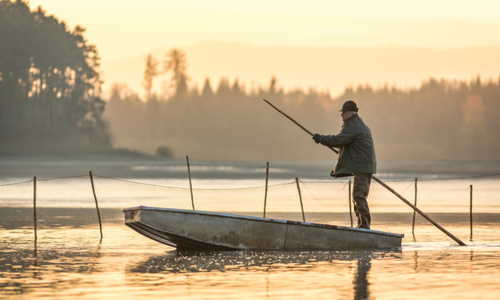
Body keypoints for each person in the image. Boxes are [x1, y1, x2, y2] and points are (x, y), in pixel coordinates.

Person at [312, 100, 376, 229]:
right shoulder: (356, 124)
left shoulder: (354, 126)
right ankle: (362, 225)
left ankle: (364, 226)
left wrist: (321, 139)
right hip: (362, 166)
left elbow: (338, 140)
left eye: (344, 113)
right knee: (357, 196)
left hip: (362, 167)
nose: (341, 115)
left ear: (351, 113)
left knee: (359, 196)